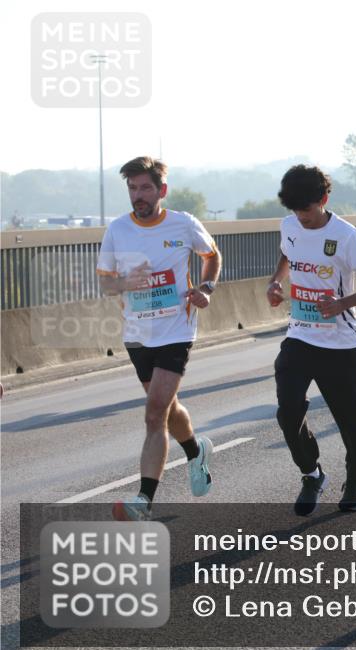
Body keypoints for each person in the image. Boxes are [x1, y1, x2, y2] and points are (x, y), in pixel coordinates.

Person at [96, 156, 221, 521]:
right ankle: (196, 451)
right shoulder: (118, 230)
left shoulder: (184, 224)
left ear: (161, 190)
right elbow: (106, 283)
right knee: (167, 408)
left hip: (176, 330)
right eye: (132, 188)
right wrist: (125, 282)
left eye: (146, 188)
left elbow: (211, 256)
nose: (139, 195)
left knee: (154, 414)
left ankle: (143, 501)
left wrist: (206, 288)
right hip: (137, 334)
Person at [266, 165, 356, 515]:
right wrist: (276, 282)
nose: (301, 217)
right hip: (299, 337)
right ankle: (312, 474)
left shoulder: (346, 236)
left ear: (323, 199)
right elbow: (288, 253)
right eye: (294, 210)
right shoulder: (290, 225)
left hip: (340, 345)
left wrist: (341, 304)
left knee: (351, 422)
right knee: (288, 411)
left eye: (306, 209)